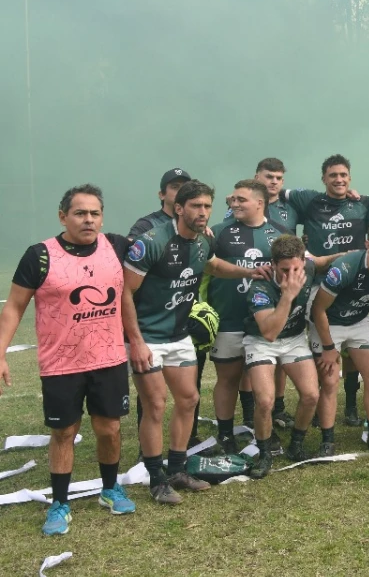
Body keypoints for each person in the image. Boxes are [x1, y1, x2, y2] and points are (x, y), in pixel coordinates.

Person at [0, 184, 136, 535]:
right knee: (64, 431)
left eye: (95, 213)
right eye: (80, 213)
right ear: (63, 216)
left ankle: (110, 489)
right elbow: (14, 307)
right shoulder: (40, 255)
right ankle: (59, 504)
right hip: (62, 363)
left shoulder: (117, 247)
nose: (88, 220)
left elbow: (161, 245)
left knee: (110, 428)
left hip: (108, 358)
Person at [123, 180, 269, 504]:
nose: (203, 212)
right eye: (195, 206)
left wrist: (250, 272)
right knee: (156, 405)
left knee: (188, 400)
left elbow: (214, 266)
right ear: (178, 208)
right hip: (149, 338)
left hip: (179, 335)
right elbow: (125, 292)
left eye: (207, 206)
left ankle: (177, 469)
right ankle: (156, 479)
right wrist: (135, 341)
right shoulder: (151, 243)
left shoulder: (204, 241)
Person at [285, 154, 369, 427]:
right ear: (324, 178)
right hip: (320, 283)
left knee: (353, 354)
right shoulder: (311, 200)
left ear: (350, 177)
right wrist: (233, 205)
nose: (338, 180)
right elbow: (273, 190)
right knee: (325, 356)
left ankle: (351, 406)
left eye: (343, 175)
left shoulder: (363, 203)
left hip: (356, 285)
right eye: (333, 176)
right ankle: (319, 407)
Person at [242, 235, 341, 477]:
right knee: (264, 401)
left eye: (296, 268)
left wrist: (358, 253)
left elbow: (327, 260)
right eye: (284, 269)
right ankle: (264, 454)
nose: (291, 275)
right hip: (262, 341)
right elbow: (269, 332)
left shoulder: (307, 265)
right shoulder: (260, 286)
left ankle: (296, 445)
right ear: (273, 264)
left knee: (310, 395)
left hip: (294, 339)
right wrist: (287, 295)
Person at [309, 220, 369, 456]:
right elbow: (317, 310)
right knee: (330, 382)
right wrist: (329, 347)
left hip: (358, 322)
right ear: (367, 244)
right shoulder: (344, 268)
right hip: (328, 322)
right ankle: (327, 441)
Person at [204, 180, 286, 455]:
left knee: (263, 378)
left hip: (264, 322)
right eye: (233, 200)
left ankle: (261, 428)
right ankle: (226, 435)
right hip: (228, 318)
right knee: (227, 377)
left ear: (260, 203)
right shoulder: (217, 232)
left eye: (241, 200)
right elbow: (205, 265)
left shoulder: (281, 234)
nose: (234, 204)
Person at [129, 168, 191, 239]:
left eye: (185, 188)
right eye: (175, 187)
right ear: (162, 195)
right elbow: (129, 245)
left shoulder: (195, 225)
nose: (181, 191)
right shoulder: (147, 225)